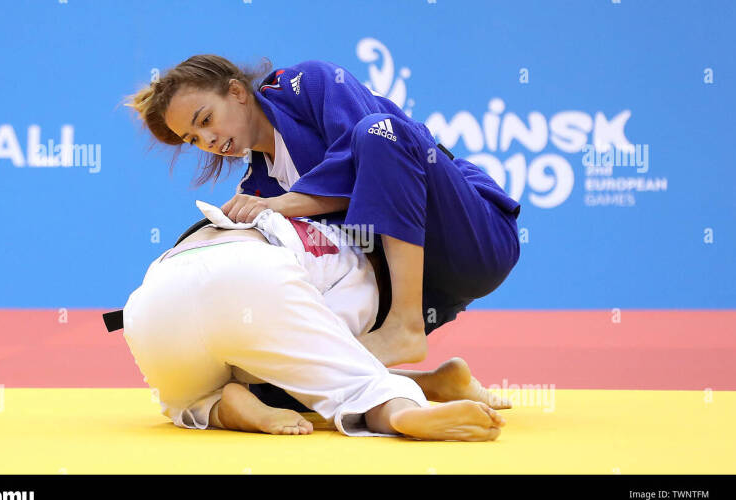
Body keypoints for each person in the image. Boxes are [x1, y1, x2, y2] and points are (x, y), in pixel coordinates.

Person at [126, 55, 521, 368]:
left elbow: (370, 160)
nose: (208, 140)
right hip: (427, 286)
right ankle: (439, 382)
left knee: (377, 132)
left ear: (237, 92)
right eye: (193, 139)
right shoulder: (255, 189)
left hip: (474, 234)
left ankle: (404, 325)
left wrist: (277, 206)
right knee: (283, 377)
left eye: (206, 120)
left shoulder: (307, 84)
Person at [120, 202, 506, 440]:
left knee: (185, 401)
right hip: (248, 277)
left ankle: (220, 408)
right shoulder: (360, 267)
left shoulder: (292, 222)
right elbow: (334, 356)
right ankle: (409, 413)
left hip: (152, 300)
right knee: (361, 386)